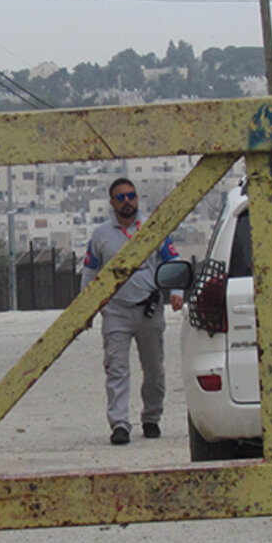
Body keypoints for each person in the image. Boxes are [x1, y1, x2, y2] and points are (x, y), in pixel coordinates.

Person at [81, 178, 184, 445]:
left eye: (131, 196)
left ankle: (151, 418)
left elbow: (171, 260)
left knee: (153, 370)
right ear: (112, 202)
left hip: (148, 309)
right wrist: (87, 309)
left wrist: (177, 292)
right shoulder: (101, 235)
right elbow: (90, 272)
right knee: (116, 369)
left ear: (137, 198)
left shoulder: (153, 228)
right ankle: (119, 424)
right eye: (120, 197)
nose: (127, 201)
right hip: (116, 311)